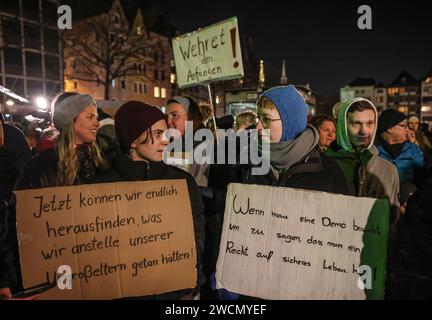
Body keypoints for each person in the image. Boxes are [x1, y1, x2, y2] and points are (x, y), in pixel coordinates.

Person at [93, 101, 205, 300]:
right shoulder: (102, 187)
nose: (165, 140)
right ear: (133, 140)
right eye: (156, 134)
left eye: (166, 133)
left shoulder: (182, 182)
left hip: (176, 293)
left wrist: (190, 284)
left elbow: (196, 235)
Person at [0, 92, 108, 299]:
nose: (97, 122)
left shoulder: (100, 163)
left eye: (96, 117)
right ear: (70, 120)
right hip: (55, 270)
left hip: (94, 268)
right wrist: (9, 279)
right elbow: (17, 224)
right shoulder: (41, 167)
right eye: (90, 117)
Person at [325, 97, 400, 227]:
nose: (364, 131)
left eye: (370, 123)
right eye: (356, 123)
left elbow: (393, 218)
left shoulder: (388, 170)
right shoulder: (323, 165)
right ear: (343, 125)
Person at [375, 109, 424, 184]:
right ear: (390, 128)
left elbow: (422, 178)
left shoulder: (413, 150)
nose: (407, 130)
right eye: (404, 126)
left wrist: (413, 190)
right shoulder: (373, 150)